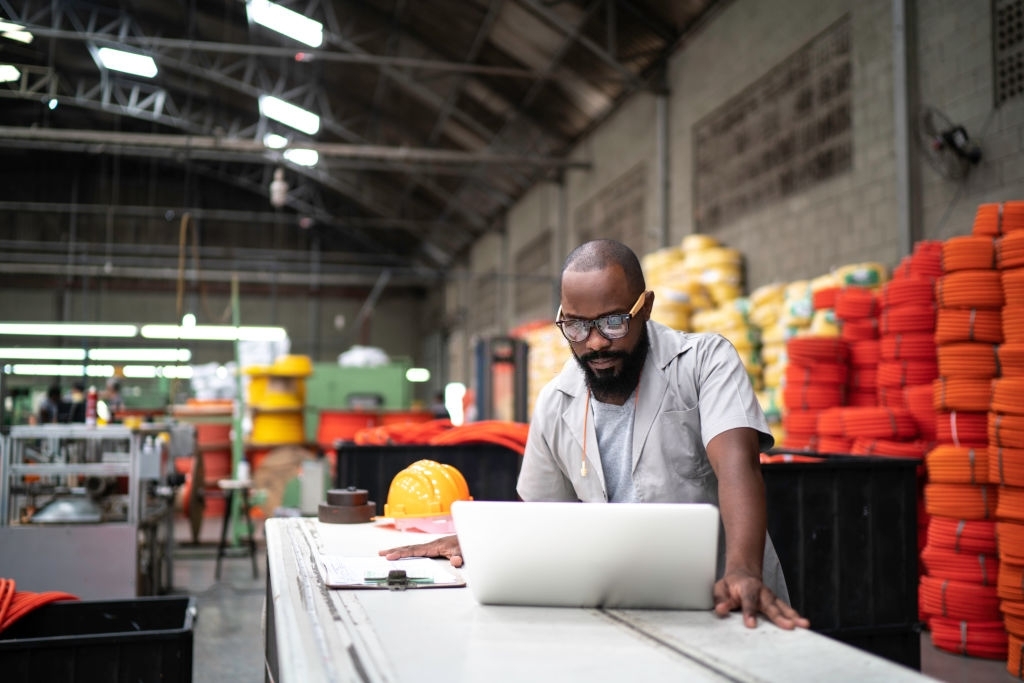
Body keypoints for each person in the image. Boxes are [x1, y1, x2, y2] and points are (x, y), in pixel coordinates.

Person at [381, 239, 808, 630]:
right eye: (577, 326)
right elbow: (546, 519)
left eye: (613, 323)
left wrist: (743, 571)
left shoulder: (704, 363)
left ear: (646, 307)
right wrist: (482, 541)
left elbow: (738, 469)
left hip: (726, 604)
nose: (595, 343)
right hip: (621, 611)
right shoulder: (556, 402)